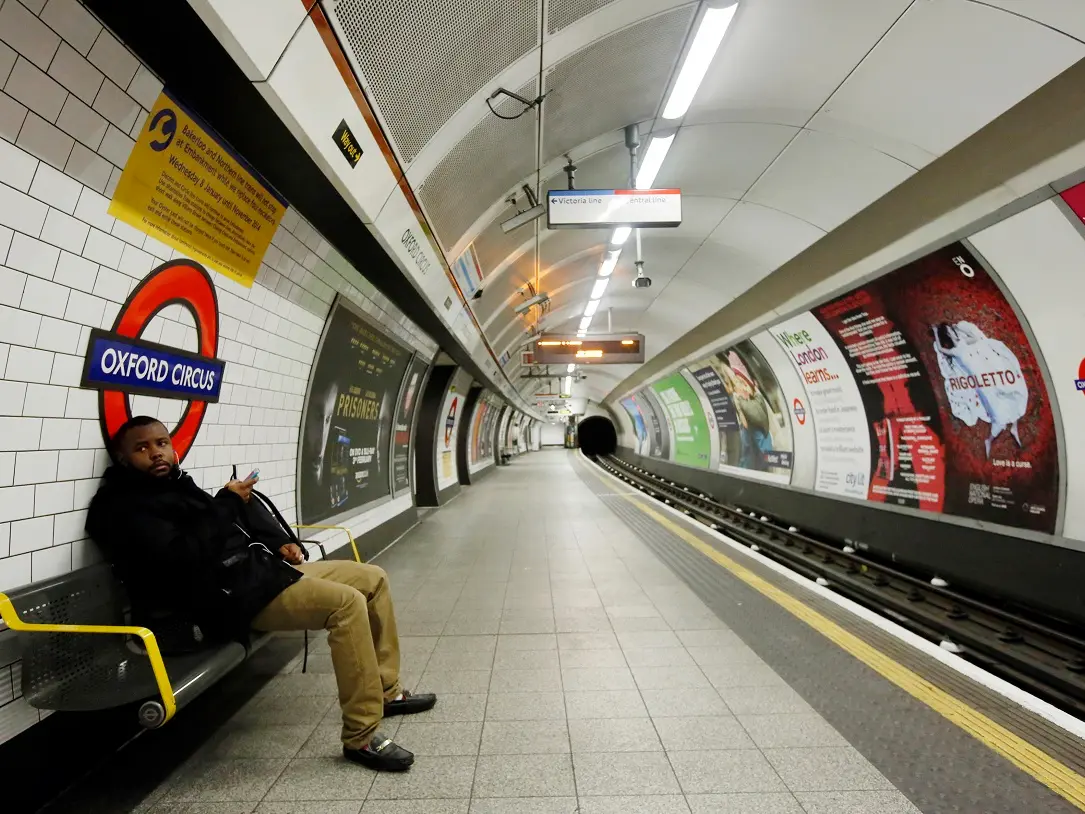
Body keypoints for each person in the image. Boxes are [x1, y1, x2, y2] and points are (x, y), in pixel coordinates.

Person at [85, 415, 435, 772]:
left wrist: (275, 539)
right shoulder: (120, 508)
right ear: (123, 458)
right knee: (347, 604)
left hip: (253, 575)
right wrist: (226, 502)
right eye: (142, 448)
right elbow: (184, 558)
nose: (156, 453)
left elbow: (222, 528)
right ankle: (361, 734)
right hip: (220, 601)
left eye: (162, 443)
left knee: (372, 578)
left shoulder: (175, 486)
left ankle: (387, 691)